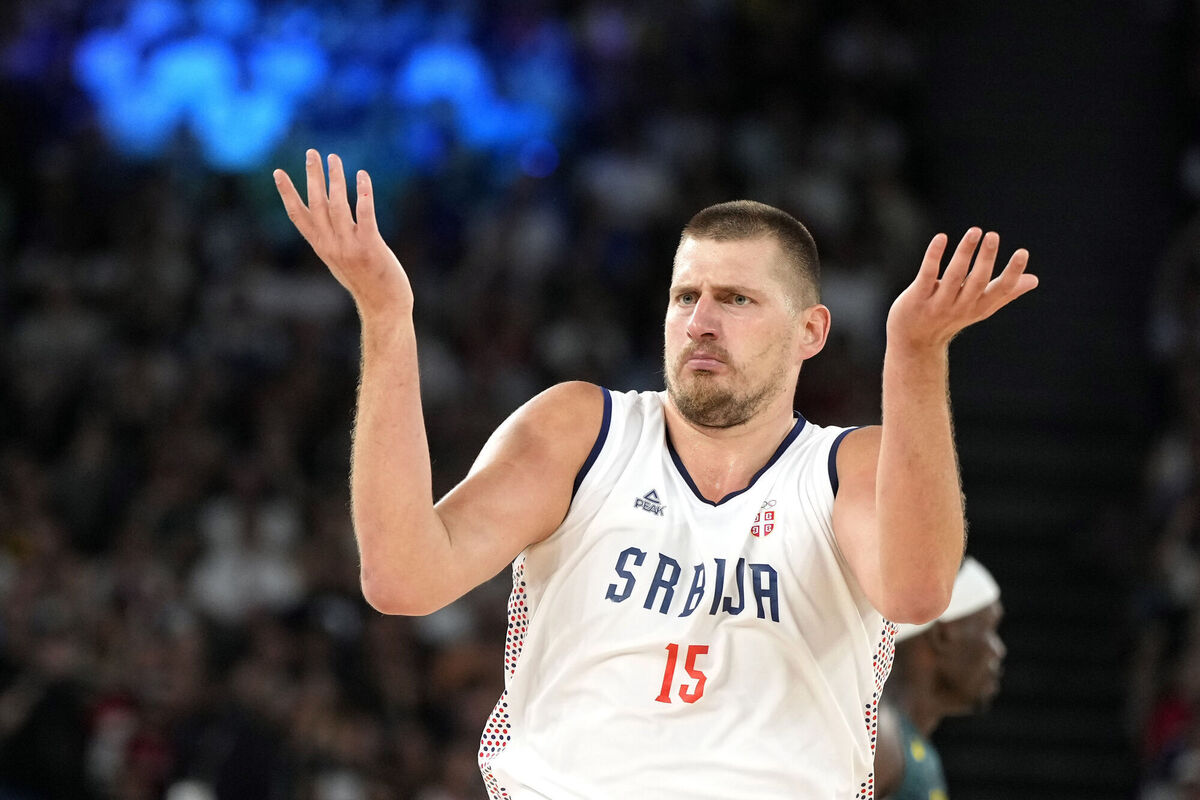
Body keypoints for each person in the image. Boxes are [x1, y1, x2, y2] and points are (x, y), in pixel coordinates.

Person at [272, 150, 1038, 799]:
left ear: (811, 331)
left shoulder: (845, 467)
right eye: (686, 296)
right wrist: (384, 316)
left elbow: (916, 591)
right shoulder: (581, 430)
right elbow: (403, 576)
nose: (701, 320)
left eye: (736, 299)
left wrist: (916, 354)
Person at [873, 556, 1006, 800]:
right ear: (943, 636)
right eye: (990, 630)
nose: (999, 650)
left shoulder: (905, 742)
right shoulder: (880, 735)